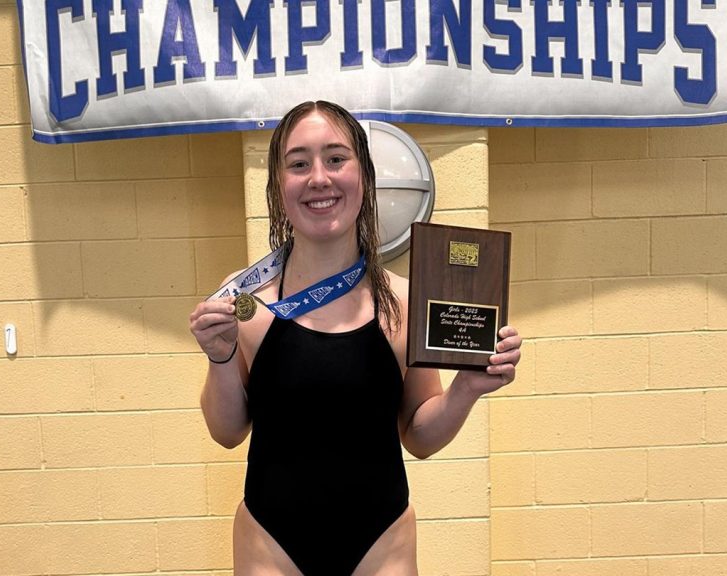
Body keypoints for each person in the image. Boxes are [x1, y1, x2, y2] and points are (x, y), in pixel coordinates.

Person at [188, 101, 522, 575]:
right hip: (270, 541)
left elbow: (420, 437)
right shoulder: (247, 301)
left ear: (363, 176)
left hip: (381, 541)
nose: (319, 178)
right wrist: (219, 358)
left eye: (336, 158)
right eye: (299, 163)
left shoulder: (405, 304)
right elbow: (226, 433)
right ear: (278, 187)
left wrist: (466, 389)